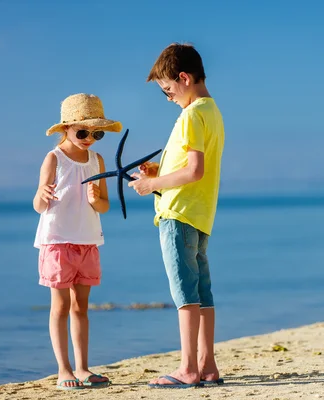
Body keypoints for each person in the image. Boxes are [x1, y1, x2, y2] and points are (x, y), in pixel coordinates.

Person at [129, 43, 225, 389]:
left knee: (184, 293)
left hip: (178, 214)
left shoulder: (189, 115)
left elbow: (194, 171)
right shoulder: (211, 111)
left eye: (168, 90)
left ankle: (187, 369)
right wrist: (159, 169)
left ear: (183, 78)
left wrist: (150, 183)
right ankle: (207, 365)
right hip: (200, 215)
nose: (169, 97)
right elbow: (192, 165)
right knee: (203, 291)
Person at [34, 93, 121, 390]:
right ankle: (64, 369)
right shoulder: (54, 158)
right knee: (59, 307)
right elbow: (38, 203)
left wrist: (97, 200)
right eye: (82, 132)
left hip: (87, 241)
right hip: (57, 241)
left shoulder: (97, 160)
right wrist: (42, 197)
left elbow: (106, 205)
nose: (89, 139)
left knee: (81, 308)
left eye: (96, 133)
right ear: (65, 128)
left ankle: (83, 367)